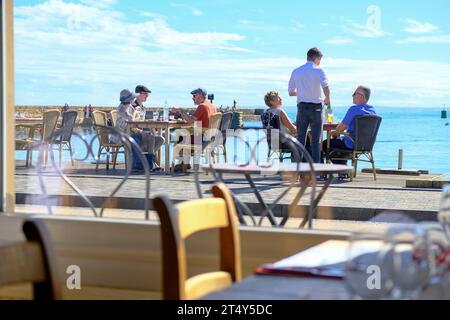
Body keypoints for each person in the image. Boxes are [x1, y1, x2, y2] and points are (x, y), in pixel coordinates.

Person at [289, 47, 330, 163]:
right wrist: (327, 99)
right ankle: (316, 170)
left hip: (302, 107)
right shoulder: (319, 70)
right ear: (317, 58)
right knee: (316, 140)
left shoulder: (296, 71)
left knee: (300, 139)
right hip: (316, 107)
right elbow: (326, 87)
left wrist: (302, 92)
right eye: (320, 59)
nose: (320, 62)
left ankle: (297, 170)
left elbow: (291, 92)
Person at [322, 86, 377, 164]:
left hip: (351, 144)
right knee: (339, 142)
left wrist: (334, 133)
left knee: (325, 144)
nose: (352, 96)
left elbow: (339, 129)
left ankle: (339, 170)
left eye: (354, 94)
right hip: (366, 146)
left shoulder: (354, 109)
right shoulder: (373, 110)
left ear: (361, 96)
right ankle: (343, 171)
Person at [112, 89, 159, 171]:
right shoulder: (121, 109)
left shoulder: (130, 107)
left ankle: (150, 162)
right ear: (129, 99)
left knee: (152, 137)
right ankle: (136, 165)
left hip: (129, 133)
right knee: (135, 139)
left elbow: (135, 122)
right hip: (120, 137)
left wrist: (141, 130)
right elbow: (131, 120)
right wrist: (136, 114)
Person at [132, 84, 165, 159]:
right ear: (138, 94)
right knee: (151, 137)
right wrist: (140, 132)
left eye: (148, 94)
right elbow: (131, 124)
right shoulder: (132, 107)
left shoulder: (143, 108)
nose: (147, 96)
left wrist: (151, 121)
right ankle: (150, 162)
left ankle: (148, 160)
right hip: (133, 135)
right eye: (145, 94)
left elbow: (141, 121)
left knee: (161, 139)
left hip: (140, 134)